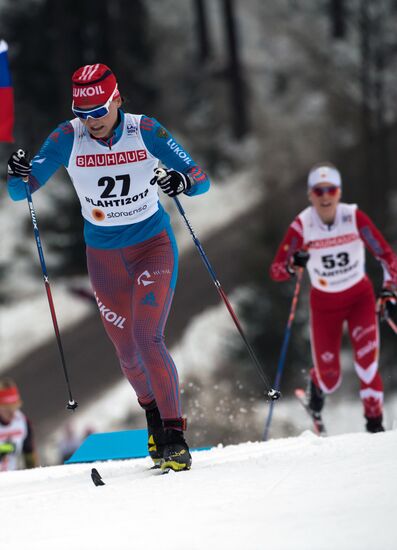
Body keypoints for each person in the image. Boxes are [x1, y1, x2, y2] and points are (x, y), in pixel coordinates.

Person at [7, 63, 211, 471]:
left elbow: (200, 177)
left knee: (147, 337)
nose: (91, 123)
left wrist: (181, 183)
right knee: (127, 353)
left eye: (98, 113)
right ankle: (153, 418)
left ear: (116, 100)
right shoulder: (67, 137)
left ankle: (174, 435)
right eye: (82, 115)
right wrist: (15, 173)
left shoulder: (146, 130)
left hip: (152, 246)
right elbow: (21, 192)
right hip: (103, 259)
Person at [269, 162, 397, 433]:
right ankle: (316, 389)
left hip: (359, 298)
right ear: (310, 195)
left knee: (367, 364)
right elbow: (277, 270)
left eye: (331, 189)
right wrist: (294, 264)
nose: (325, 196)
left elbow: (386, 255)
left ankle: (375, 425)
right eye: (319, 190)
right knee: (330, 379)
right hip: (325, 305)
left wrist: (389, 289)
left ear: (339, 192)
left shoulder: (353, 217)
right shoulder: (302, 225)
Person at [0, 378, 38, 471]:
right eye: (7, 408)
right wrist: (7, 447)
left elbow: (29, 452)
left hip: (11, 478)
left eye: (15, 407)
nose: (12, 413)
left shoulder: (22, 421)